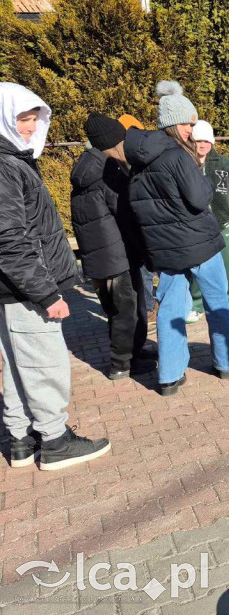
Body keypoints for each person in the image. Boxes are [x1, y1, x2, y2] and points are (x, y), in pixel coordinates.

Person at [0, 83, 111, 470]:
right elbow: (10, 240)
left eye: (34, 120)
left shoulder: (13, 161)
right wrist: (46, 293)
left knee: (18, 363)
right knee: (43, 362)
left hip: (16, 288)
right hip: (25, 289)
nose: (30, 128)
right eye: (22, 120)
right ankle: (55, 439)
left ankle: (19, 438)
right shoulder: (4, 166)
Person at [124, 81, 229, 395]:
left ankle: (170, 377)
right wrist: (202, 175)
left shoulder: (137, 164)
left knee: (171, 309)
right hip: (201, 244)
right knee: (217, 304)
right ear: (175, 123)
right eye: (189, 123)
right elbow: (200, 198)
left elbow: (137, 208)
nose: (193, 129)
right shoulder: (178, 157)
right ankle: (225, 364)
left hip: (165, 251)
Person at [70, 113, 152, 380]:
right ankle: (121, 364)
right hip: (115, 255)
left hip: (107, 254)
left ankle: (134, 352)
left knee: (127, 308)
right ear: (113, 142)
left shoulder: (88, 169)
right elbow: (125, 210)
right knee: (125, 310)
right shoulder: (106, 172)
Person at [186, 120, 229, 324]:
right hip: (196, 227)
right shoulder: (185, 164)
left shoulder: (225, 164)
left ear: (212, 142)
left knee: (226, 264)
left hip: (223, 224)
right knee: (197, 265)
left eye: (206, 140)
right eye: (198, 140)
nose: (202, 145)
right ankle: (195, 304)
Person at [118, 114, 157, 331]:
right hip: (135, 224)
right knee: (143, 269)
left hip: (145, 222)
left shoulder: (138, 159)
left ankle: (150, 304)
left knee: (150, 268)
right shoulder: (120, 160)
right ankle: (148, 307)